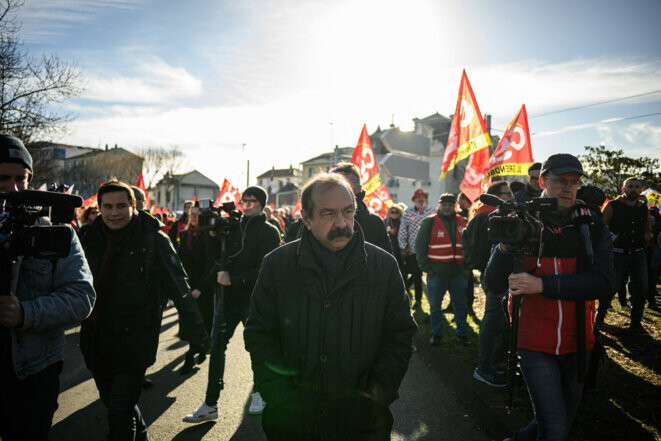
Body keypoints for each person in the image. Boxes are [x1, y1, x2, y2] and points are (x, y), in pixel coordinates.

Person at [244, 173, 416, 441]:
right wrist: (279, 395)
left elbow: (400, 336)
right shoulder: (276, 265)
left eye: (348, 212)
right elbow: (260, 332)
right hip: (291, 424)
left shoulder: (384, 266)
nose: (342, 223)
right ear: (306, 218)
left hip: (363, 425)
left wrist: (374, 398)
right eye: (328, 214)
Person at [486, 153, 612, 441]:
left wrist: (541, 286)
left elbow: (601, 282)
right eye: (560, 181)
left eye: (575, 182)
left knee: (558, 423)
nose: (568, 188)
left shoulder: (590, 223)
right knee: (554, 430)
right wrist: (505, 249)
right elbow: (492, 282)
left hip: (579, 341)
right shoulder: (521, 218)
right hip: (533, 341)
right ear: (543, 181)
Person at [80, 179, 209, 441]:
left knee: (118, 416)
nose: (114, 213)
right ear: (99, 207)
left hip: (135, 339)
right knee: (116, 406)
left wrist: (199, 335)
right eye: (107, 206)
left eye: (121, 206)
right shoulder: (87, 237)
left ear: (134, 206)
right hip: (95, 338)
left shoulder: (154, 239)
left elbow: (180, 288)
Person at [0, 134, 96, 441]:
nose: (14, 188)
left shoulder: (54, 231)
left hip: (34, 373)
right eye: (3, 178)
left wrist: (26, 313)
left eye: (21, 179)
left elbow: (82, 296)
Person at [184, 185, 281, 423]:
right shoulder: (232, 228)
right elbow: (217, 258)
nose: (246, 205)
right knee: (216, 349)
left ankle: (260, 392)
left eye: (252, 201)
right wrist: (212, 236)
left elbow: (267, 270)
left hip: (253, 301)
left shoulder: (269, 231)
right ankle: (210, 403)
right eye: (244, 201)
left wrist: (235, 279)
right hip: (227, 300)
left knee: (258, 349)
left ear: (262, 205)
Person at [464, 181, 514, 387]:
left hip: (497, 273)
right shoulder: (490, 217)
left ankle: (495, 361)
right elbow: (482, 247)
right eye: (507, 193)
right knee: (493, 320)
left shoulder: (487, 215)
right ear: (495, 196)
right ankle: (484, 366)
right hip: (494, 275)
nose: (511, 196)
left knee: (500, 320)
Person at [415, 193, 471, 346]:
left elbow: (467, 247)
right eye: (444, 204)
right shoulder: (429, 222)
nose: (447, 207)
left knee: (460, 305)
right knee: (435, 306)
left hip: (458, 272)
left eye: (450, 205)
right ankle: (437, 333)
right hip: (437, 272)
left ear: (454, 206)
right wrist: (426, 268)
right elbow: (420, 247)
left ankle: (462, 333)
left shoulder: (462, 221)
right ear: (439, 205)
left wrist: (467, 268)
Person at [596, 177, 651, 330]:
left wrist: (646, 237)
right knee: (611, 287)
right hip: (617, 254)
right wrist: (615, 238)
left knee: (641, 288)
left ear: (641, 190)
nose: (633, 189)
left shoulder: (643, 208)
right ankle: (600, 317)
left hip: (638, 254)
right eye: (630, 186)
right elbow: (601, 226)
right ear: (624, 189)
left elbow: (648, 228)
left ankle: (635, 323)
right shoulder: (612, 206)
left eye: (636, 186)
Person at [178, 202, 218, 373]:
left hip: (204, 287)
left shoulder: (209, 235)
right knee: (188, 324)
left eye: (197, 213)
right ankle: (199, 348)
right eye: (191, 213)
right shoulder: (183, 234)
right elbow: (180, 261)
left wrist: (200, 288)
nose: (193, 216)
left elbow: (211, 263)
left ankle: (192, 355)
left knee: (202, 322)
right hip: (187, 287)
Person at [331, 162, 393, 254]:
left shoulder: (375, 223)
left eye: (346, 186)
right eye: (334, 186)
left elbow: (387, 263)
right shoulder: (315, 221)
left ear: (359, 189)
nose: (339, 191)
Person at [398, 189, 435, 310]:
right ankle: (418, 300)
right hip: (413, 250)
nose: (421, 200)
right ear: (414, 200)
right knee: (417, 275)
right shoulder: (408, 213)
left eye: (423, 198)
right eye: (418, 198)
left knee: (432, 275)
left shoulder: (433, 212)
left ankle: (435, 303)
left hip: (431, 250)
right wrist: (402, 247)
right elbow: (403, 230)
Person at [385, 203, 406, 278]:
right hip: (389, 248)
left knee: (402, 270)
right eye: (392, 212)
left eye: (396, 212)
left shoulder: (403, 222)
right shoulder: (385, 222)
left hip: (401, 248)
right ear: (389, 213)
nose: (394, 214)